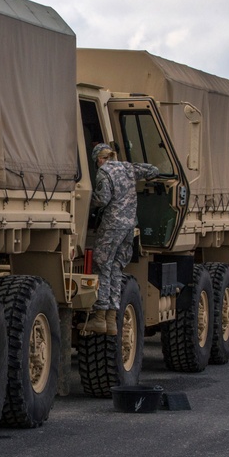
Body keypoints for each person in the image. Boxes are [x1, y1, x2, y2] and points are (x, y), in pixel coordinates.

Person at [83, 143, 159, 335]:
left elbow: (102, 199)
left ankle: (99, 317)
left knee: (102, 266)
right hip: (129, 227)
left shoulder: (104, 171)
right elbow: (153, 170)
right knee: (116, 267)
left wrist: (87, 205)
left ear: (99, 159)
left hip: (112, 226)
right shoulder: (127, 167)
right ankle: (111, 320)